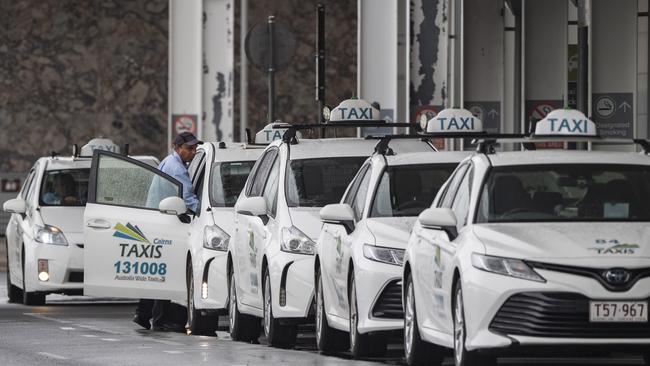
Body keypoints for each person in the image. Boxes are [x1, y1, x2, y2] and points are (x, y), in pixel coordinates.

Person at [133, 132, 202, 331]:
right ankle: (159, 319)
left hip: (156, 221)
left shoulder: (168, 162)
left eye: (194, 148)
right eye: (189, 148)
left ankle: (143, 313)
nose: (193, 152)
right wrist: (205, 213)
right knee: (164, 271)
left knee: (157, 271)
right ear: (177, 147)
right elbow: (188, 198)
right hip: (164, 224)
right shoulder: (177, 169)